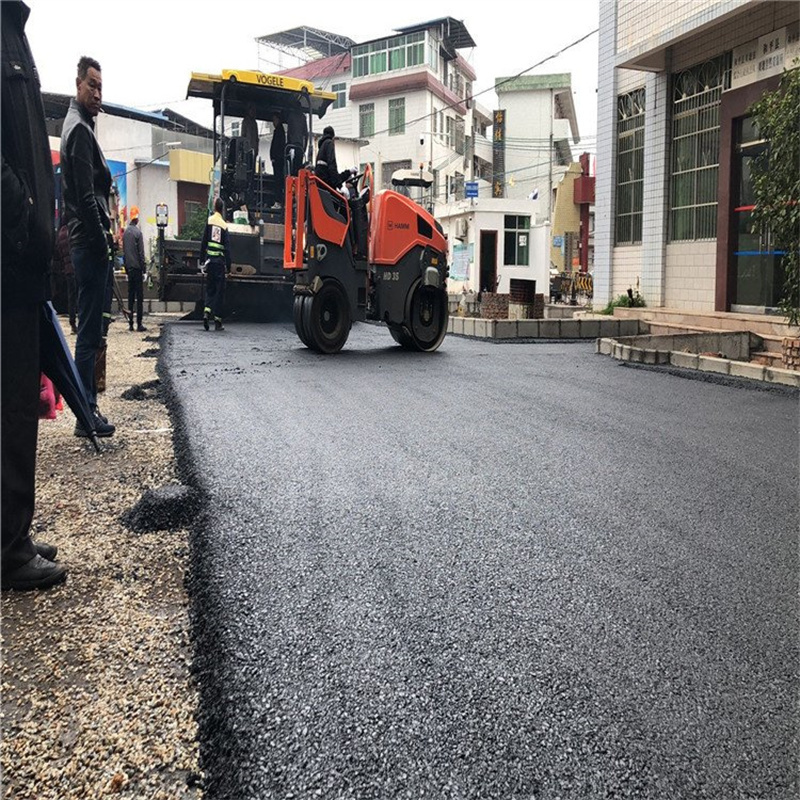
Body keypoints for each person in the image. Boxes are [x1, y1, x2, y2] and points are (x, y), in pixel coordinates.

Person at [1, 0, 67, 590]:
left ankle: (11, 533)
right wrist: (22, 214)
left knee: (18, 398)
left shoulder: (13, 30)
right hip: (8, 253)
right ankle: (8, 550)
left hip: (22, 257)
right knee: (12, 403)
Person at [60, 55, 115, 438]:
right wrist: (104, 243)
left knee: (92, 328)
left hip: (86, 242)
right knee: (90, 332)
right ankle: (85, 413)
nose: (97, 92)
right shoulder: (79, 130)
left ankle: (86, 409)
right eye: (92, 85)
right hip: (88, 245)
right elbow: (83, 196)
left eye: (101, 86)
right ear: (78, 84)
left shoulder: (79, 126)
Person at [200, 197, 231, 331]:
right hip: (219, 263)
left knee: (210, 289)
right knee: (219, 291)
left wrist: (201, 260)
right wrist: (228, 267)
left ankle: (206, 312)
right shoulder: (224, 225)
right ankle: (217, 321)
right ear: (222, 208)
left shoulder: (209, 221)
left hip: (210, 262)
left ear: (214, 208)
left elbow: (203, 242)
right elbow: (228, 248)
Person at [123, 206, 147, 332]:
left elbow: (124, 253)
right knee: (139, 297)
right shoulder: (138, 233)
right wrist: (144, 269)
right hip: (137, 269)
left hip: (129, 268)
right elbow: (141, 253)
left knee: (130, 296)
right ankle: (139, 324)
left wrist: (126, 269)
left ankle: (131, 323)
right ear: (137, 219)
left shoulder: (126, 233)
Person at [54, 222, 78, 334]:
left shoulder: (60, 234)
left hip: (67, 269)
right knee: (79, 296)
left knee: (71, 297)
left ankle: (72, 322)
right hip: (76, 268)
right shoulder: (72, 231)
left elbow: (58, 252)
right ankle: (80, 322)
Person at [314, 125, 352, 191]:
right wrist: (340, 186)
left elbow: (333, 175)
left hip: (322, 184)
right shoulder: (329, 143)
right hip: (327, 185)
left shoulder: (321, 149)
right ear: (333, 136)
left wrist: (349, 172)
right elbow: (332, 165)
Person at [286, 103, 308, 177]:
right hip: (300, 145)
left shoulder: (291, 116)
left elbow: (289, 131)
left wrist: (288, 143)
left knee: (291, 164)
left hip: (292, 144)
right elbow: (306, 133)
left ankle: (291, 175)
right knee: (298, 166)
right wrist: (304, 147)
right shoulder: (303, 117)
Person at [270, 112, 286, 205]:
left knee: (278, 180)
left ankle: (278, 201)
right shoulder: (280, 130)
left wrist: (274, 157)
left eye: (274, 120)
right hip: (277, 159)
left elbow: (277, 146)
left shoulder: (279, 131)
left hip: (278, 160)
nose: (273, 122)